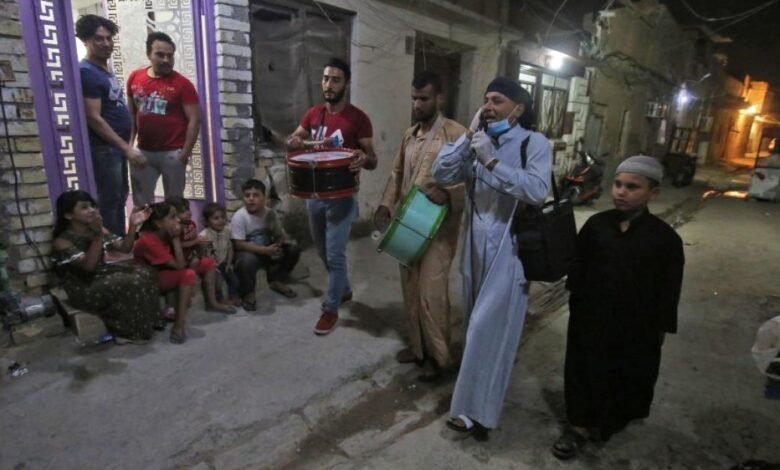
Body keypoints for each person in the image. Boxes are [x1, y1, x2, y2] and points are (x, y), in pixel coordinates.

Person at [432, 77, 552, 440]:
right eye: (486, 99)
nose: (488, 107)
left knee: (488, 329)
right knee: (475, 328)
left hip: (510, 249)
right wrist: (468, 138)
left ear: (518, 108)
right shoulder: (478, 140)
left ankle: (474, 412)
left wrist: (493, 161)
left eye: (497, 100)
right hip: (475, 246)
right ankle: (476, 400)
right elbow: (442, 173)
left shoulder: (534, 142)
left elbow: (537, 190)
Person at [551, 155, 684, 460]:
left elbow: (668, 291)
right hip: (590, 319)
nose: (621, 192)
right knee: (582, 371)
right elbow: (577, 268)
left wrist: (660, 329)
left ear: (653, 193)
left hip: (636, 327)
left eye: (632, 187)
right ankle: (577, 425)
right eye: (618, 184)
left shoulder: (665, 240)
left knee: (625, 375)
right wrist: (578, 304)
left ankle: (608, 421)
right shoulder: (597, 226)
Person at [374, 71, 466, 381]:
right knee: (411, 289)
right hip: (408, 223)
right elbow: (396, 173)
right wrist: (386, 204)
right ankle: (419, 350)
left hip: (439, 229)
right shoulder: (409, 135)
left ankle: (440, 359)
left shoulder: (457, 134)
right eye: (414, 98)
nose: (417, 104)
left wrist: (450, 194)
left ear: (440, 98)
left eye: (424, 98)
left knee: (431, 293)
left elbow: (472, 179)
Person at [286, 58, 377, 335]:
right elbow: (293, 140)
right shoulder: (313, 114)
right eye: (326, 78)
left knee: (335, 253)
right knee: (323, 251)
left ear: (346, 83)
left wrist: (364, 158)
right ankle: (344, 289)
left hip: (342, 196)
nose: (329, 84)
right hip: (315, 195)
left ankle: (330, 308)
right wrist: (293, 141)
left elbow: (372, 159)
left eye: (336, 80)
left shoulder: (358, 118)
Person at [51, 190, 160, 343]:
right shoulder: (62, 241)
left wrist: (133, 225)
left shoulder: (97, 229)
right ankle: (127, 332)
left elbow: (124, 248)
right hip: (82, 287)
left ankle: (149, 323)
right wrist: (97, 237)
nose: (91, 210)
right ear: (69, 215)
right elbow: (89, 267)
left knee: (146, 272)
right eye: (84, 207)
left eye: (92, 206)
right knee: (132, 281)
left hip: (100, 274)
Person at [76, 15, 146, 236]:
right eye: (99, 39)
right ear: (85, 40)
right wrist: (126, 148)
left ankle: (119, 240)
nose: (106, 43)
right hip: (104, 149)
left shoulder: (103, 70)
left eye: (109, 38)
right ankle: (111, 245)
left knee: (119, 196)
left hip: (115, 148)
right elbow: (93, 117)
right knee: (110, 199)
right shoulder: (87, 72)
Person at [127, 31, 200, 206]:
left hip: (172, 153)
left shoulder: (183, 84)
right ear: (148, 54)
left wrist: (184, 154)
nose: (166, 60)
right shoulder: (135, 77)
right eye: (160, 55)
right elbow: (131, 114)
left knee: (174, 204)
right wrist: (129, 147)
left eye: (170, 55)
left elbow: (195, 120)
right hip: (143, 151)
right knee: (142, 204)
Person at [231, 179, 301, 312]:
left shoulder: (270, 214)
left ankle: (276, 280)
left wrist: (278, 246)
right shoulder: (240, 217)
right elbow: (238, 244)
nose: (251, 199)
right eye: (247, 195)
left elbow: (280, 235)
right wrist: (264, 250)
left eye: (256, 195)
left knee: (293, 248)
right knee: (245, 261)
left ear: (264, 197)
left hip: (267, 249)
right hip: (249, 252)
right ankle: (248, 293)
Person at [199, 202, 239, 305]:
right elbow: (208, 254)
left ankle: (233, 296)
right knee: (218, 282)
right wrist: (216, 267)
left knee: (234, 280)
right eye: (216, 218)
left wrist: (228, 263)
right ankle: (220, 299)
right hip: (213, 265)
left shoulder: (227, 231)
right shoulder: (205, 236)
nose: (221, 220)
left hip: (224, 262)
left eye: (223, 217)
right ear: (207, 221)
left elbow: (230, 248)